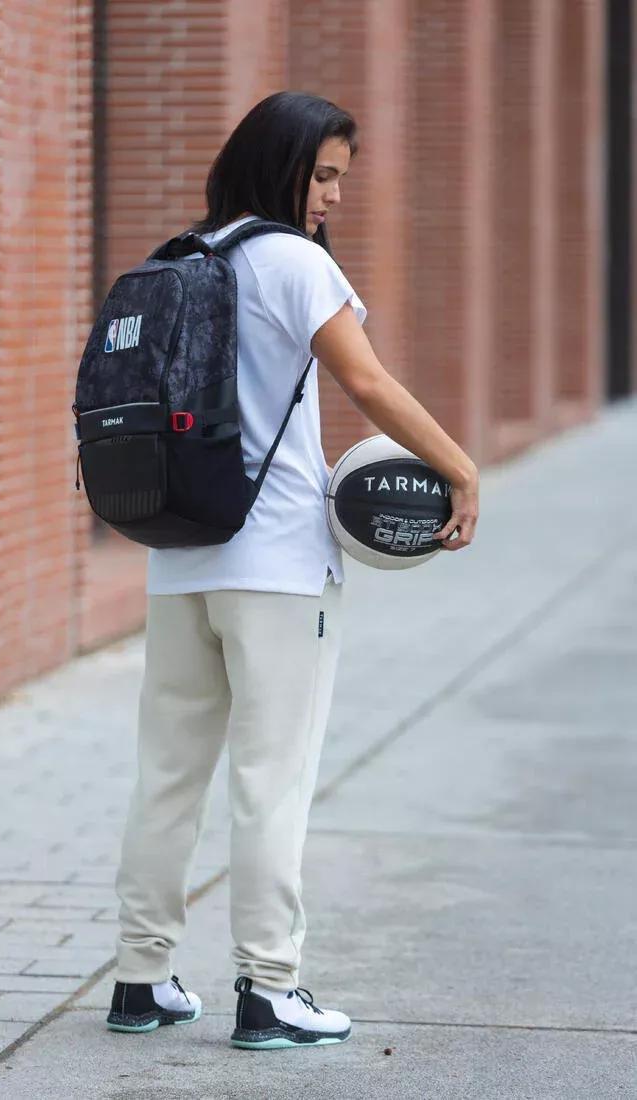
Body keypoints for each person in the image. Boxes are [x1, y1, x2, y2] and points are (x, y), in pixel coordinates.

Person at [106, 91, 479, 1050]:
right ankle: (269, 991)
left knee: (166, 779)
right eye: (323, 176)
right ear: (279, 168)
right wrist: (457, 464)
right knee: (271, 783)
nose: (334, 199)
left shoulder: (180, 257)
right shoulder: (292, 264)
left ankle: (140, 982)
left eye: (340, 179)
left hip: (180, 556)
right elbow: (367, 380)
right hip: (273, 568)